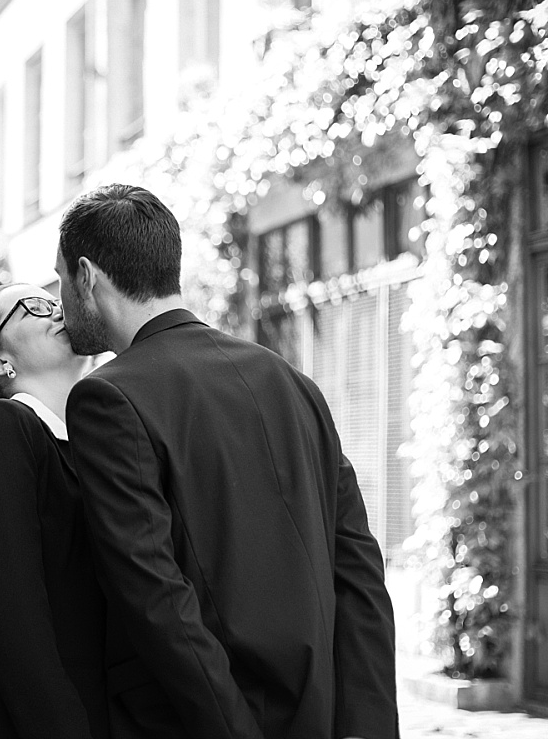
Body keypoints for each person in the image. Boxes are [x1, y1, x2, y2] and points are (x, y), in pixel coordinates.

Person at [55, 183, 399, 739]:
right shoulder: (293, 383)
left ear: (87, 276)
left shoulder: (106, 399)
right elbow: (359, 571)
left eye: (61, 278)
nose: (62, 300)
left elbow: (154, 596)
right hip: (321, 715)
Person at [0, 282, 109, 739]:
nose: (56, 309)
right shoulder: (1, 426)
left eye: (55, 300)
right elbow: (9, 613)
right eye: (33, 306)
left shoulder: (88, 441)